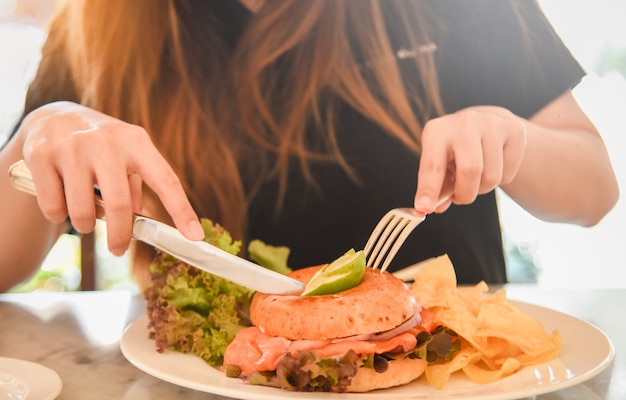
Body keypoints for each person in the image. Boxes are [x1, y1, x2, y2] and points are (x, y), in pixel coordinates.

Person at [0, 0, 619, 291]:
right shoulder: (93, 25)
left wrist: (513, 138)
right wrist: (40, 130)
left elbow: (595, 190)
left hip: (449, 393)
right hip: (203, 393)